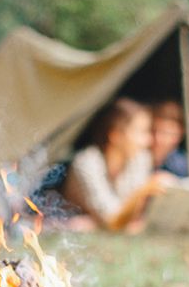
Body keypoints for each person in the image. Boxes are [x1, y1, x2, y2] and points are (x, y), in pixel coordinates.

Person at [62, 98, 168, 231]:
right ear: (115, 136)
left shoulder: (140, 159)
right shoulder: (87, 162)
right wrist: (143, 192)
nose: (147, 141)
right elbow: (111, 220)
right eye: (141, 132)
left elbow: (130, 217)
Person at [150, 100, 188, 177]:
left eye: (165, 133)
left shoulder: (179, 164)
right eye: (153, 131)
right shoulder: (136, 157)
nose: (158, 139)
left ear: (180, 135)